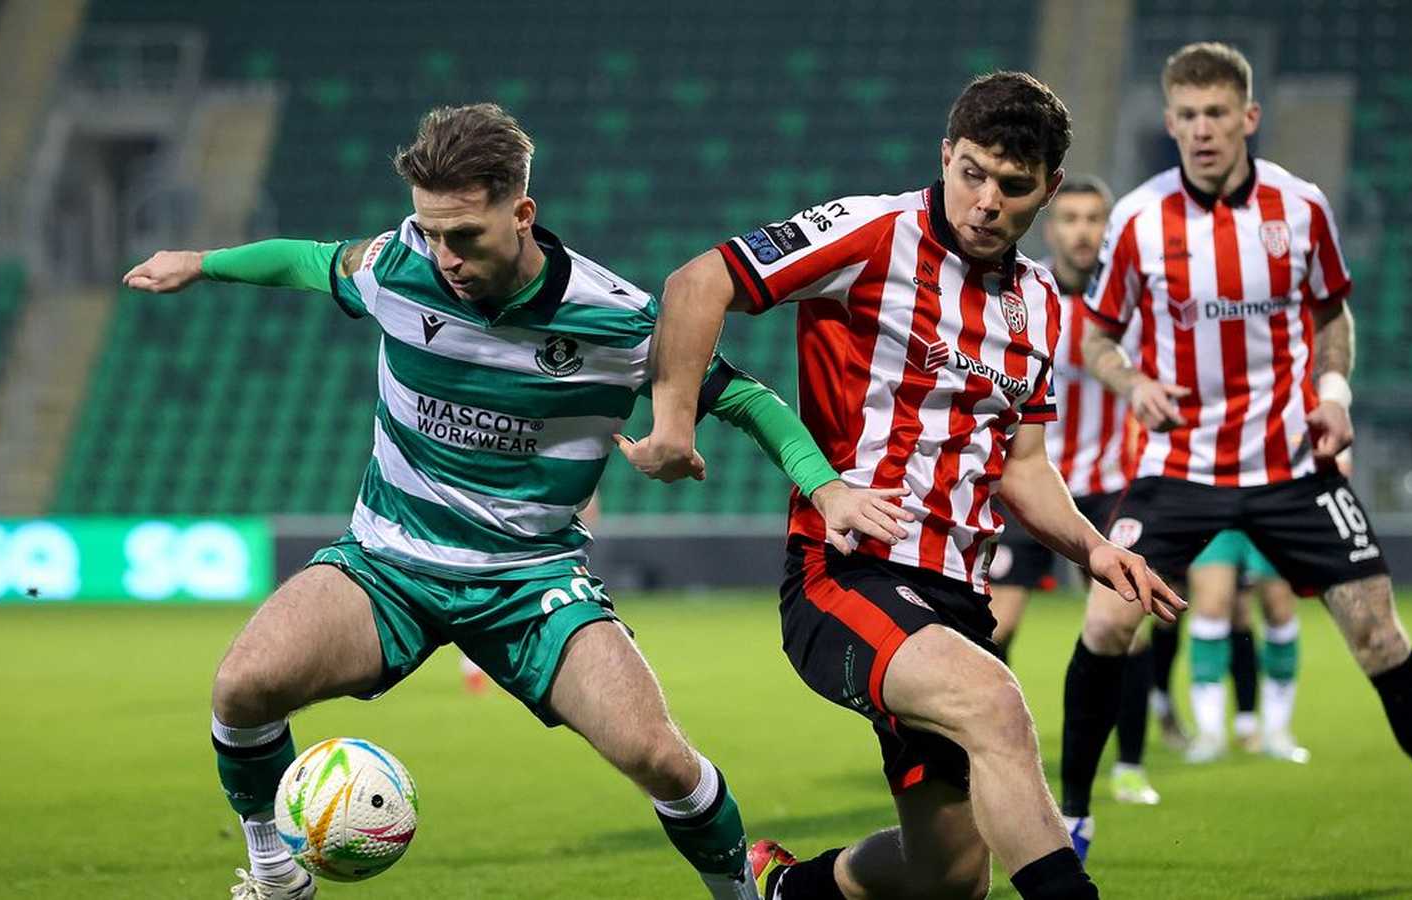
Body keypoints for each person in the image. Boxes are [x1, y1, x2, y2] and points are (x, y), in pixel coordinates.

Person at [123, 103, 904, 900]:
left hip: (530, 584)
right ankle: (275, 874)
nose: (444, 256)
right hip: (388, 563)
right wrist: (204, 260)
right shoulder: (398, 265)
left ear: (522, 212)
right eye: (429, 231)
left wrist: (826, 485)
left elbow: (744, 397)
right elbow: (307, 260)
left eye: (464, 236)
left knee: (660, 758)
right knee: (242, 685)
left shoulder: (617, 318)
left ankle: (743, 891)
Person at [635, 72, 1182, 900]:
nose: (987, 200)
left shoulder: (1037, 303)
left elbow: (1023, 470)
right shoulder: (869, 232)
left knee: (951, 877)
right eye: (971, 172)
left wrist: (1094, 547)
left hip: (956, 599)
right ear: (945, 156)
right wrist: (675, 423)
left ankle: (789, 891)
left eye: (1013, 184)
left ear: (1050, 189)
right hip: (844, 575)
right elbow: (698, 282)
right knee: (996, 703)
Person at [1054, 42, 1412, 887]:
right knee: (1105, 624)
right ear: (1169, 123)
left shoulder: (1300, 208)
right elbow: (1094, 333)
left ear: (1248, 118)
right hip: (1179, 469)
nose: (1202, 131)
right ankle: (1075, 819)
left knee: (1379, 634)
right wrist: (1131, 382)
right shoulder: (1137, 219)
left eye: (1216, 115)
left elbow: (1332, 314)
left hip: (1289, 465)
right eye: (1187, 117)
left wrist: (1335, 390)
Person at [988, 176, 1160, 806]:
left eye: (1094, 219)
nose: (1082, 230)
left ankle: (1130, 764)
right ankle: (990, 752)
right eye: (1071, 219)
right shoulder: (1022, 297)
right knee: (994, 624)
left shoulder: (1134, 305)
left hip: (1113, 486)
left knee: (1126, 626)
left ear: (1107, 229)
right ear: (1051, 228)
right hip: (1035, 488)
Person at [1183, 529, 1307, 764]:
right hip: (1217, 505)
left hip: (1269, 504)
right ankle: (1209, 733)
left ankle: (1278, 730)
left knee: (1280, 610)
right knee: (1210, 608)